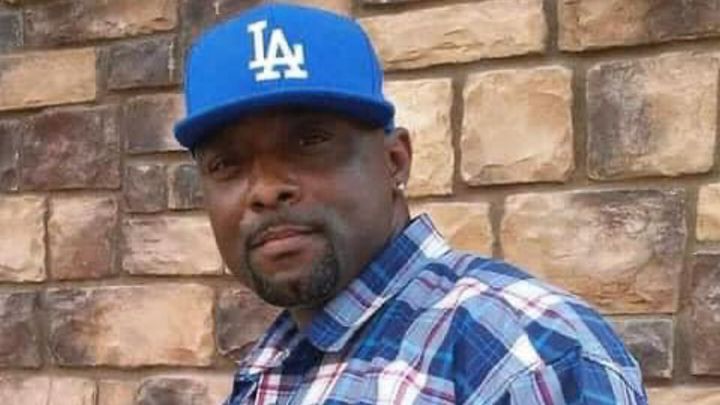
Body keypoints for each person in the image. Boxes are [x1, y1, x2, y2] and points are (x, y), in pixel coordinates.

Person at [174, 3, 648, 404]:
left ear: (395, 161)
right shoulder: (275, 358)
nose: (266, 189)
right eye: (226, 164)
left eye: (310, 141)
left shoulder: (526, 355)